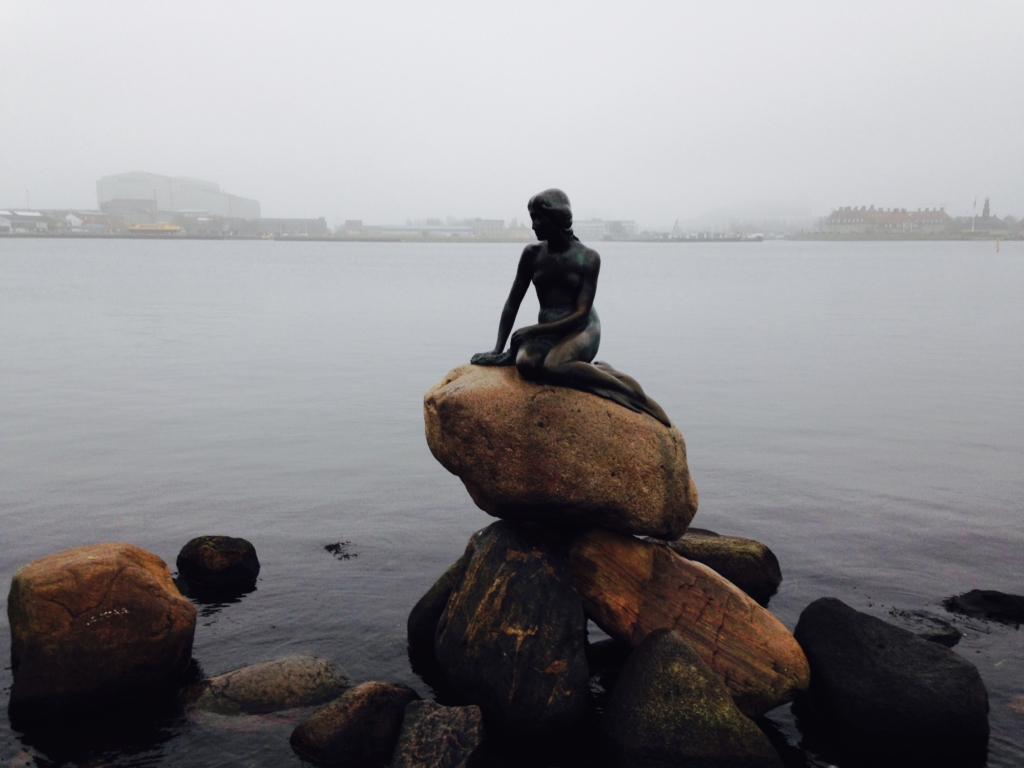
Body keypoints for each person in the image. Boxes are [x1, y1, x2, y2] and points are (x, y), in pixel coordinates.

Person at [471, 189, 670, 426]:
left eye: (538, 218)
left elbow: (581, 313)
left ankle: (627, 390)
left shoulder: (588, 258)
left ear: (556, 219)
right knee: (526, 364)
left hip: (582, 329)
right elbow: (513, 302)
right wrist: (498, 348)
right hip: (548, 330)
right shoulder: (531, 255)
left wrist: (532, 331)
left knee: (554, 366)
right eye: (532, 217)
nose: (533, 225)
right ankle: (585, 370)